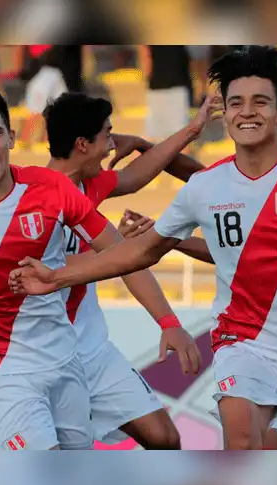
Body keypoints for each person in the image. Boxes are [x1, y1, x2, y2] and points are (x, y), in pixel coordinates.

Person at [9, 46, 277, 451]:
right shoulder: (206, 188)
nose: (247, 112)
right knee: (241, 438)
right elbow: (141, 251)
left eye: (260, 102)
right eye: (236, 102)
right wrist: (56, 276)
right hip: (245, 343)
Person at [0, 90, 196, 450]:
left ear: (12, 138)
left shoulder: (55, 189)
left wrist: (168, 319)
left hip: (65, 358)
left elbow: (126, 253)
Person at [120, 110, 277, 450]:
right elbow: (205, 179)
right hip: (274, 350)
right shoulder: (258, 190)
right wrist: (145, 148)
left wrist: (168, 240)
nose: (258, 158)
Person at [42, 92, 212, 449]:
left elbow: (136, 176)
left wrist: (192, 130)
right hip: (40, 352)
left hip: (91, 347)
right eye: (107, 135)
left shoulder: (86, 185)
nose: (111, 145)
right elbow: (47, 271)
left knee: (164, 438)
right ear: (82, 144)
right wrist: (121, 251)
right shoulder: (30, 198)